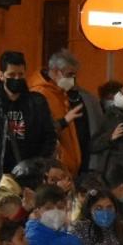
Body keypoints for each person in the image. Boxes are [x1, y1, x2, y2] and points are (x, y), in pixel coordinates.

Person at [0, 52, 57, 175]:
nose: (17, 78)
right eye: (12, 75)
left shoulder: (37, 103)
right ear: (1, 75)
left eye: (21, 74)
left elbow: (49, 138)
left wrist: (35, 164)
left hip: (28, 174)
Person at [27, 50, 85, 178]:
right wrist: (64, 121)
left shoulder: (60, 92)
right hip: (53, 169)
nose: (72, 80)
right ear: (55, 71)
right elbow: (40, 132)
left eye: (74, 75)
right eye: (69, 74)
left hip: (67, 167)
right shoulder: (39, 94)